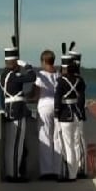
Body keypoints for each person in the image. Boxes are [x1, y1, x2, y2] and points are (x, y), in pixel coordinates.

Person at [0, 39, 36, 182]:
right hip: (18, 112)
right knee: (17, 145)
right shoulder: (13, 75)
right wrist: (27, 65)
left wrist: (5, 110)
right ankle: (14, 174)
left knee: (10, 145)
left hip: (9, 111)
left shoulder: (2, 75)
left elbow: (2, 97)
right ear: (14, 62)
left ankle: (11, 173)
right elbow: (32, 77)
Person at [54, 53, 86, 182]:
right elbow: (81, 99)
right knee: (76, 144)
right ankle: (77, 171)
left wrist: (56, 114)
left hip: (65, 115)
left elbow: (57, 100)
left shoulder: (61, 81)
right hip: (77, 114)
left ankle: (70, 175)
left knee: (68, 146)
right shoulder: (80, 81)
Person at [30, 49, 60, 180]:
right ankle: (58, 169)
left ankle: (47, 171)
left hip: (44, 107)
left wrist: (27, 98)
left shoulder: (40, 75)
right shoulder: (59, 75)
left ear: (43, 61)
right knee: (57, 138)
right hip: (58, 107)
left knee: (45, 138)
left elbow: (35, 95)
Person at [68, 41, 87, 178]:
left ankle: (82, 168)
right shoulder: (77, 79)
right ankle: (77, 167)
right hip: (73, 113)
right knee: (75, 142)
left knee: (78, 142)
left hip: (76, 113)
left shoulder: (77, 80)